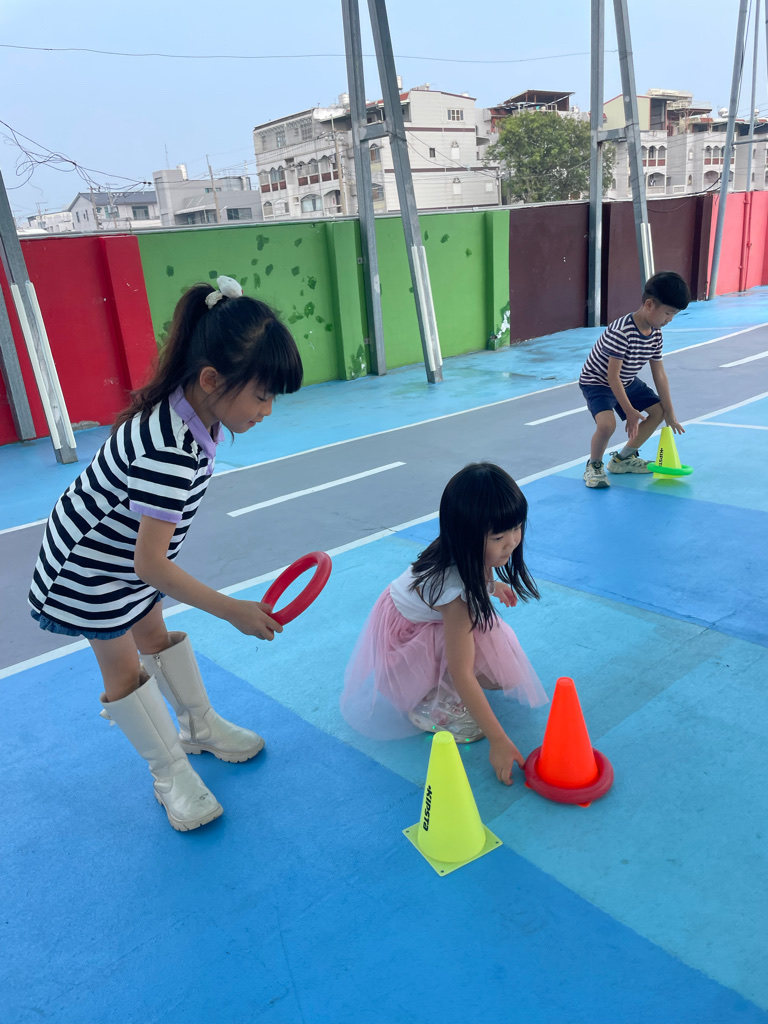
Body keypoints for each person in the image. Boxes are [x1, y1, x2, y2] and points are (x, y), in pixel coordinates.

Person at [28, 276, 303, 831]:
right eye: (261, 395)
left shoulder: (194, 415)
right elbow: (150, 564)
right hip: (87, 569)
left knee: (154, 635)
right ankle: (170, 774)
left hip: (121, 557)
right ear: (211, 379)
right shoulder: (169, 449)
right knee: (123, 669)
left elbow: (146, 557)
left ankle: (198, 727)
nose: (268, 409)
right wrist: (233, 609)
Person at [340, 462, 548, 786]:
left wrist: (492, 586)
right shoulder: (456, 597)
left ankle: (438, 681)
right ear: (468, 535)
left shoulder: (465, 551)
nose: (512, 542)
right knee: (472, 667)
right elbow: (462, 671)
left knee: (498, 674)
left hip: (429, 616)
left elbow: (470, 576)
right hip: (407, 635)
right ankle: (428, 703)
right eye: (498, 536)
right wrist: (498, 740)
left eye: (517, 528)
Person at [579, 271, 691, 489]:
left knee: (658, 412)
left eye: (674, 315)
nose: (670, 319)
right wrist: (629, 411)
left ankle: (623, 459)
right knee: (607, 425)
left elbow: (659, 373)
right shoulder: (622, 331)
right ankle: (594, 465)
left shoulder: (656, 333)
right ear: (649, 304)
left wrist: (670, 413)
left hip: (626, 379)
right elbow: (611, 376)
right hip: (598, 382)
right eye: (668, 313)